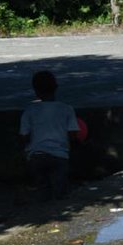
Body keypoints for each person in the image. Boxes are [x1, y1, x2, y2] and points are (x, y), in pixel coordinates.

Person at [18, 70, 79, 201]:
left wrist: (26, 151)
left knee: (42, 189)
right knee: (60, 192)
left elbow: (24, 135)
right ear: (56, 87)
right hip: (60, 155)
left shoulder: (30, 110)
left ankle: (44, 212)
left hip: (36, 155)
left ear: (35, 90)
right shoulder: (66, 109)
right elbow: (73, 134)